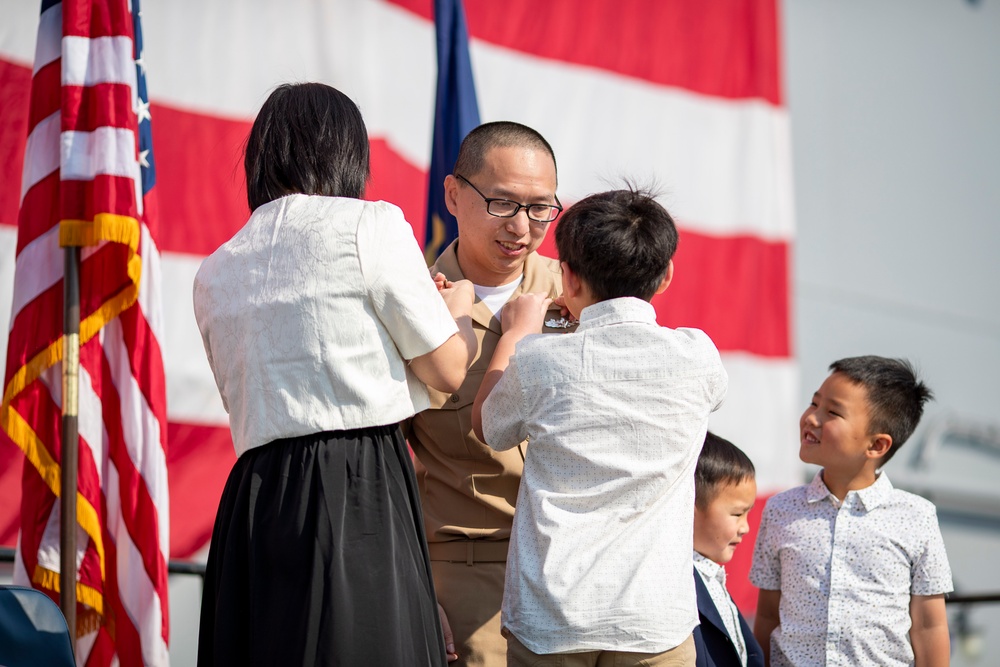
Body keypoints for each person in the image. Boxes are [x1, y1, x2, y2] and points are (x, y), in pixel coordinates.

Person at [192, 82, 476, 667]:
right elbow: (448, 370)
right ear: (347, 151)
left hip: (254, 495)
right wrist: (457, 310)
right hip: (355, 482)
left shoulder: (214, 270)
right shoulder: (368, 225)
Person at [472, 187, 729, 666]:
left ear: (566, 276)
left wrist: (517, 335)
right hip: (654, 620)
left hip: (554, 617)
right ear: (666, 274)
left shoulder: (540, 361)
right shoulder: (699, 355)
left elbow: (490, 426)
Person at [407, 121, 572, 666]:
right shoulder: (409, 307)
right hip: (469, 580)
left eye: (541, 208)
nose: (522, 228)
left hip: (579, 572)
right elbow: (381, 466)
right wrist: (413, 591)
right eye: (502, 203)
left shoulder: (584, 297)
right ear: (453, 195)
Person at [750, 356, 953, 667]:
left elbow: (930, 625)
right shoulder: (781, 510)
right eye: (813, 403)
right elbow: (767, 613)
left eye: (832, 412)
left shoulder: (917, 517)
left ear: (877, 445)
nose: (811, 418)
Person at [692, 432, 764, 667]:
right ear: (689, 507)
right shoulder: (679, 581)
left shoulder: (711, 574)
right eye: (736, 514)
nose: (745, 527)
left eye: (748, 513)